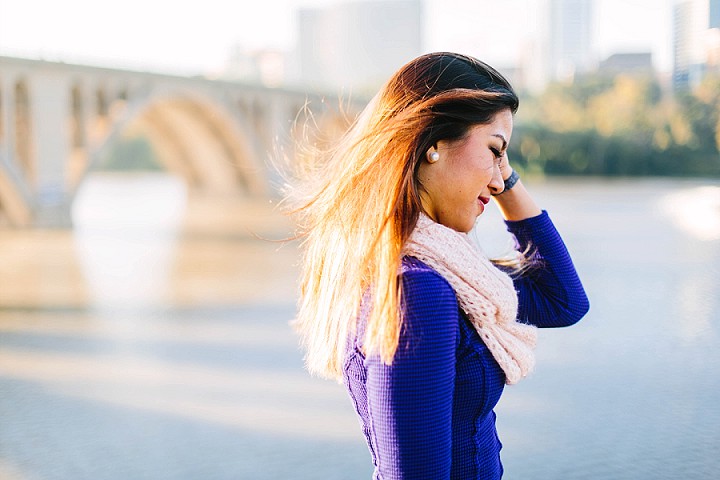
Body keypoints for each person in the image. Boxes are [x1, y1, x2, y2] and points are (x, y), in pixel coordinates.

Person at [284, 52, 590, 479]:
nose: (501, 179)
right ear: (433, 144)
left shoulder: (446, 270)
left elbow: (562, 301)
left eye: (506, 163)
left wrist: (503, 173)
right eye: (494, 150)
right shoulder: (417, 289)